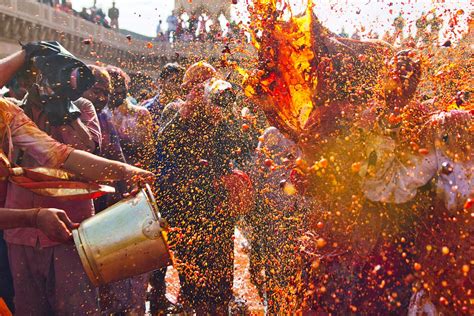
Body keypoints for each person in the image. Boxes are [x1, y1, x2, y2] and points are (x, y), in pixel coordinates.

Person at [1, 42, 151, 315]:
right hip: (19, 229)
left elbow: (68, 154)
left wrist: (124, 172)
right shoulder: (11, 108)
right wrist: (27, 54)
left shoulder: (20, 114)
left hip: (69, 228)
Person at [155, 61, 253, 313]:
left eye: (207, 84)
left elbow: (239, 147)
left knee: (220, 278)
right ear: (188, 88)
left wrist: (225, 116)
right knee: (192, 278)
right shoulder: (174, 109)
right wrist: (186, 111)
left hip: (218, 207)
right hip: (186, 206)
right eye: (198, 85)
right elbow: (164, 145)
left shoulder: (220, 116)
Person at [105, 66, 153, 165]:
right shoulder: (100, 113)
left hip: (133, 169)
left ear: (127, 86)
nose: (118, 89)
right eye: (113, 85)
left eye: (121, 84)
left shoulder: (140, 114)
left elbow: (146, 150)